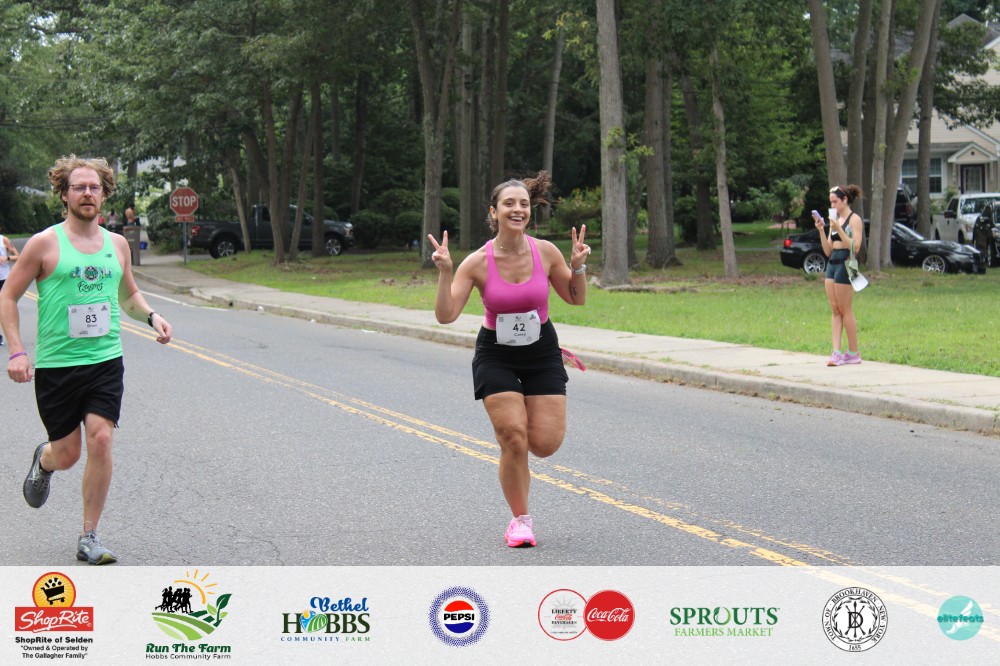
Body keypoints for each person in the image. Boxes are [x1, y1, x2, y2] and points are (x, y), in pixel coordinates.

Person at [0, 155, 173, 565]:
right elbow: (7, 296)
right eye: (79, 187)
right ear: (64, 194)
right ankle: (45, 460)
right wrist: (18, 351)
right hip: (58, 366)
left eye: (94, 187)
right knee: (68, 454)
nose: (87, 193)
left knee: (101, 438)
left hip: (105, 361)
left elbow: (128, 295)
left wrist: (152, 316)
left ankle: (89, 536)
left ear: (104, 194)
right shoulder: (44, 244)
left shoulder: (117, 245)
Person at [428, 171, 590, 547]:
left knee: (544, 444)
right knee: (514, 438)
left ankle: (519, 451)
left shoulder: (545, 252)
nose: (518, 210)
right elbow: (446, 315)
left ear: (530, 211)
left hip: (542, 352)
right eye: (509, 204)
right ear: (494, 212)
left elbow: (576, 297)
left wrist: (578, 266)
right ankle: (520, 520)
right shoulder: (476, 262)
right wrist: (446, 273)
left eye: (524, 204)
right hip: (496, 355)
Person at [812, 184, 864, 367]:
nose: (832, 206)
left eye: (835, 202)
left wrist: (839, 228)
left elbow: (855, 247)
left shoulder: (854, 220)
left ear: (845, 200)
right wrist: (822, 229)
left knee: (845, 309)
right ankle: (836, 352)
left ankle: (853, 352)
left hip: (846, 263)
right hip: (832, 263)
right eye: (830, 202)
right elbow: (827, 250)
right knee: (835, 309)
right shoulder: (834, 220)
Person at [0, 227, 20, 345]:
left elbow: (18, 256)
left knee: (4, 308)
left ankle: (11, 336)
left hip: (4, 278)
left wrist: (6, 257)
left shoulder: (4, 240)